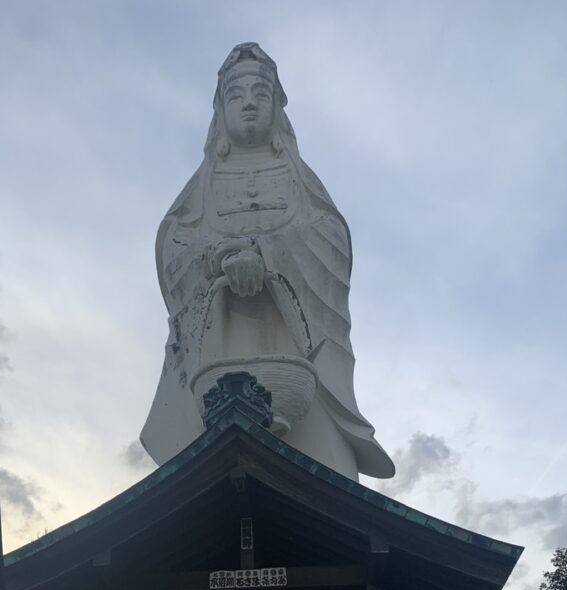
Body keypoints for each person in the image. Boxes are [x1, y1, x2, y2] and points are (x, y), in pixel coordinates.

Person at [141, 43, 394, 481]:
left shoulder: (300, 179)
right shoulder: (201, 188)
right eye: (236, 96)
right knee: (208, 484)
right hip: (221, 342)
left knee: (322, 488)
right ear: (220, 109)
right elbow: (175, 246)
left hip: (296, 359)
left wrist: (266, 257)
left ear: (278, 105)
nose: (250, 104)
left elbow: (330, 239)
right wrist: (217, 256)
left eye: (261, 93)